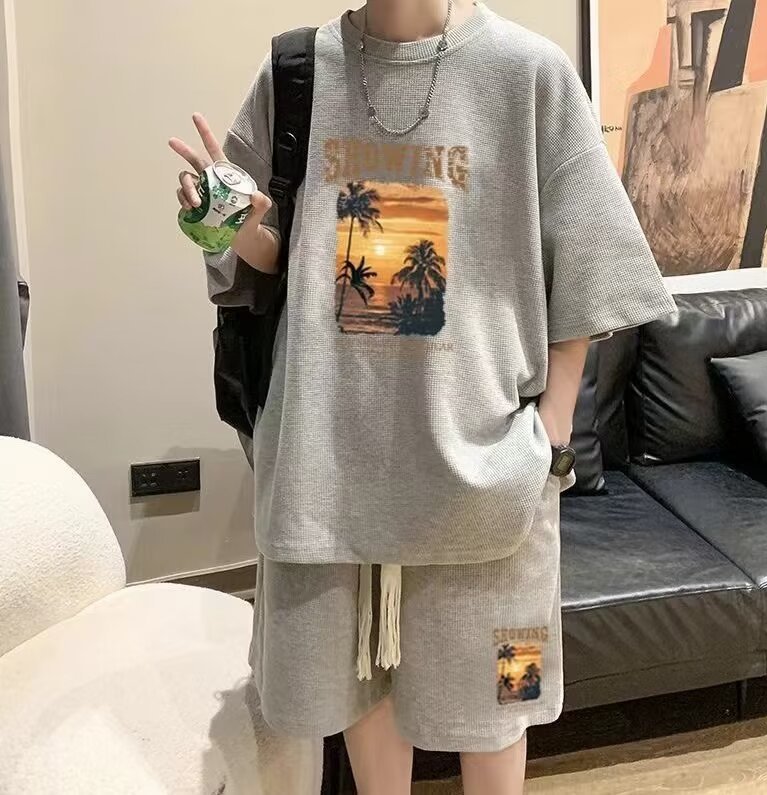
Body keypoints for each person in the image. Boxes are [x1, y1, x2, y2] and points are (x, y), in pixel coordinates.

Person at [169, 1, 677, 792]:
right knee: (358, 686)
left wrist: (551, 428)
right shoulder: (297, 70)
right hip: (331, 465)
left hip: (485, 470)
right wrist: (232, 227)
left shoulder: (528, 72)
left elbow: (590, 256)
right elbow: (275, 259)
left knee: (499, 702)